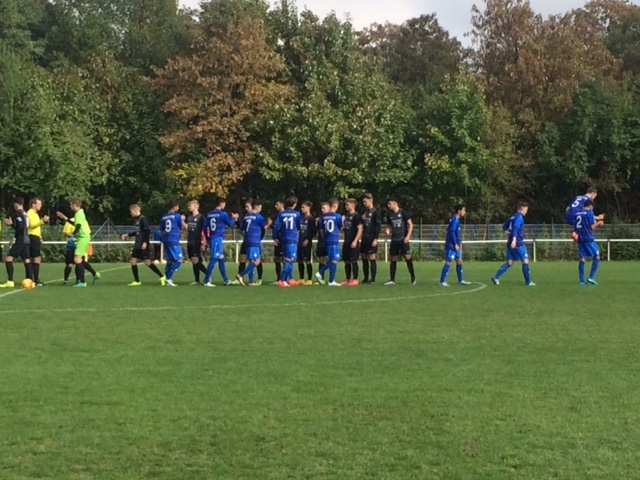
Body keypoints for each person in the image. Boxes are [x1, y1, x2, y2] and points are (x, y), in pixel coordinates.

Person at [56, 198, 99, 287]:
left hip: (83, 238)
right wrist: (65, 218)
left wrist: (73, 234)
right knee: (79, 260)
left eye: (71, 205)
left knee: (77, 259)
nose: (70, 206)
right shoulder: (79, 213)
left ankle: (82, 282)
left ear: (75, 205)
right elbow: (75, 224)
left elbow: (78, 226)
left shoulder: (79, 213)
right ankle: (91, 275)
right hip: (82, 238)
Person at [491, 202, 535, 286]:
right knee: (525, 261)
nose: (526, 212)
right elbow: (515, 227)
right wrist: (514, 240)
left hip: (510, 242)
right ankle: (528, 282)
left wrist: (507, 232)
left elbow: (504, 226)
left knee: (510, 262)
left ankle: (496, 277)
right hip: (517, 242)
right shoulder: (519, 217)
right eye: (526, 210)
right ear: (522, 208)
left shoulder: (513, 216)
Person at [121, 204, 165, 286]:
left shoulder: (143, 219)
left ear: (135, 210)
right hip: (137, 244)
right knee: (133, 260)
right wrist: (127, 235)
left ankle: (162, 276)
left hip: (142, 244)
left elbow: (147, 231)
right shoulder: (137, 220)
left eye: (131, 211)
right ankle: (137, 281)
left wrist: (145, 242)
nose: (130, 213)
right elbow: (138, 232)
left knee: (147, 262)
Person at [203, 197, 238, 287]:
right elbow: (230, 223)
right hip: (217, 238)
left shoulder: (209, 214)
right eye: (224, 203)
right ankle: (206, 280)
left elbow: (205, 228)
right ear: (221, 204)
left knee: (221, 258)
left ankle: (226, 280)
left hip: (213, 238)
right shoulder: (223, 214)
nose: (224, 205)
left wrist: (207, 238)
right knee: (214, 259)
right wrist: (234, 218)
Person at [0, 197, 33, 288]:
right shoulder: (25, 213)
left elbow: (20, 227)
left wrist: (11, 224)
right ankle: (31, 280)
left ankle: (10, 281)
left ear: (16, 204)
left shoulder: (18, 214)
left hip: (21, 240)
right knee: (26, 260)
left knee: (8, 259)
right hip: (26, 239)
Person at [385, 198, 416, 286]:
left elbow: (410, 224)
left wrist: (408, 236)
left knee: (407, 257)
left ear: (395, 203)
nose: (388, 206)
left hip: (403, 239)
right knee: (393, 258)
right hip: (394, 239)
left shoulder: (403, 212)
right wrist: (388, 230)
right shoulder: (389, 214)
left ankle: (413, 277)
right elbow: (389, 225)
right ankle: (392, 279)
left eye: (389, 204)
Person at [439, 204, 472, 286]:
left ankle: (460, 280)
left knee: (459, 261)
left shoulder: (456, 219)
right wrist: (455, 244)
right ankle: (442, 281)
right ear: (459, 211)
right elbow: (451, 232)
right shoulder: (455, 220)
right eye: (463, 210)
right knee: (448, 261)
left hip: (456, 244)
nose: (464, 212)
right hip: (452, 245)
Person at [236, 200, 266, 286]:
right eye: (260, 207)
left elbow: (242, 228)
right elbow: (263, 227)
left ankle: (251, 280)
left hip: (247, 240)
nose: (260, 209)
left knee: (251, 260)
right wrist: (268, 224)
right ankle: (241, 275)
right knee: (256, 261)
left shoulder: (246, 217)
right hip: (254, 241)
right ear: (256, 206)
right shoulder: (259, 217)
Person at [273, 196, 302, 287]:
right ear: (295, 204)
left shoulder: (281, 214)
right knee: (289, 260)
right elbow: (298, 226)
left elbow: (276, 225)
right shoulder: (297, 214)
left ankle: (291, 279)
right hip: (292, 239)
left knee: (287, 259)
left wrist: (275, 237)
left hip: (283, 238)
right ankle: (282, 280)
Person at [574, 199, 604, 285]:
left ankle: (581, 281)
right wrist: (599, 224)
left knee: (582, 258)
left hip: (580, 238)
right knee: (597, 256)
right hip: (588, 238)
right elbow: (592, 227)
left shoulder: (577, 213)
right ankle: (591, 277)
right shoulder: (590, 213)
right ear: (590, 205)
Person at [315, 201, 343, 286]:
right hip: (334, 240)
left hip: (327, 240)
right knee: (334, 260)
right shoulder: (338, 216)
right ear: (335, 205)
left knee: (332, 260)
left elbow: (321, 230)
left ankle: (331, 281)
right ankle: (320, 273)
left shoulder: (323, 217)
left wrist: (325, 238)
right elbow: (340, 227)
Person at [159, 200, 185, 287]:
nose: (178, 208)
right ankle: (169, 278)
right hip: (173, 239)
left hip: (166, 240)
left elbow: (162, 230)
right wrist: (183, 220)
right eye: (178, 206)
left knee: (170, 260)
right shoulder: (177, 216)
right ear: (174, 207)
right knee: (180, 259)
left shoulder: (163, 217)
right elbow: (182, 227)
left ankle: (166, 277)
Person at [26, 197, 49, 286]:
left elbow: (37, 228)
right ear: (33, 205)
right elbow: (32, 225)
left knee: (34, 258)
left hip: (35, 237)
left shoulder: (35, 214)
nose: (41, 206)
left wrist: (40, 237)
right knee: (36, 258)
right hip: (32, 237)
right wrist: (42, 221)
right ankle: (35, 279)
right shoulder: (30, 213)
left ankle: (31, 278)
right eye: (39, 204)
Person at [360, 193, 381, 284]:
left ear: (370, 200)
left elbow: (378, 226)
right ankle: (365, 278)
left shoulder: (376, 212)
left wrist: (376, 238)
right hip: (364, 237)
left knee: (372, 256)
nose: (364, 203)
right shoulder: (364, 212)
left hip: (371, 237)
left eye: (365, 201)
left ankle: (372, 279)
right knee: (363, 256)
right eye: (363, 202)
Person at [341, 198, 363, 285]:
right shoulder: (346, 216)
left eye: (347, 205)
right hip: (346, 241)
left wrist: (355, 241)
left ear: (353, 205)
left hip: (353, 241)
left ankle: (355, 279)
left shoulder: (356, 216)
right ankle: (347, 278)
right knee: (346, 260)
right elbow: (344, 228)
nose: (346, 206)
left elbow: (360, 229)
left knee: (353, 260)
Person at [186, 200, 207, 285]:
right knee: (193, 260)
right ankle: (197, 280)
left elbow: (204, 231)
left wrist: (204, 243)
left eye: (190, 206)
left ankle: (208, 274)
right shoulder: (189, 217)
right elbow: (187, 228)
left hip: (196, 241)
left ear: (195, 206)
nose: (189, 207)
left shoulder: (201, 217)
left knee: (195, 260)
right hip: (190, 240)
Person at [297, 201, 316, 285]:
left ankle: (309, 279)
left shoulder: (311, 219)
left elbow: (314, 231)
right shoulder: (301, 218)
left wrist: (308, 239)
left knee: (307, 260)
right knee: (300, 260)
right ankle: (301, 278)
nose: (302, 209)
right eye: (301, 207)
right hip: (299, 241)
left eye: (303, 207)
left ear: (308, 207)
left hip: (306, 242)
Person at [237, 198, 253, 277]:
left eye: (247, 206)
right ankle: (240, 277)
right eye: (245, 207)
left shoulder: (257, 217)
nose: (246, 208)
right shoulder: (246, 217)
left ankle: (256, 279)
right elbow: (241, 229)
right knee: (242, 259)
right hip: (246, 241)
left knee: (254, 261)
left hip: (253, 243)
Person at [272, 199, 285, 283]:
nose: (275, 206)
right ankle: (279, 278)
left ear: (282, 205)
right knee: (277, 259)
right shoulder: (278, 215)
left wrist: (275, 237)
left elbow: (277, 227)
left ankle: (283, 279)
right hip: (278, 239)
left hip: (282, 239)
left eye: (277, 204)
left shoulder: (283, 215)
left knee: (283, 259)